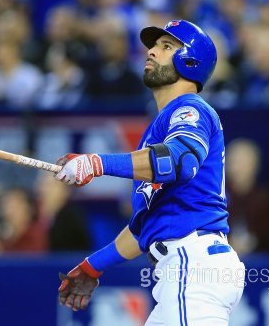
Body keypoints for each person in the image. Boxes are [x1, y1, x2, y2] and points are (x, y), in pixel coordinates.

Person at [54, 20, 245, 325]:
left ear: (191, 60)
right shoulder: (159, 129)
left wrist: (97, 163)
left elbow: (180, 161)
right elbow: (144, 228)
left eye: (166, 46)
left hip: (191, 264)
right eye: (153, 46)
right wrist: (93, 265)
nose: (152, 51)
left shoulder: (190, 109)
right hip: (185, 267)